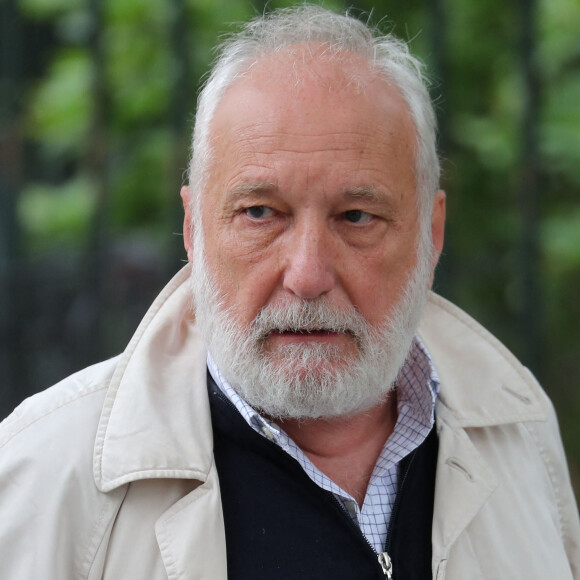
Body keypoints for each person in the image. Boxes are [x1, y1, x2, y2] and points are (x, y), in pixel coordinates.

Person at [0, 5, 578, 579]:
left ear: (431, 234)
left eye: (356, 216)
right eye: (259, 213)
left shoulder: (518, 431)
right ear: (193, 230)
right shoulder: (46, 475)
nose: (306, 274)